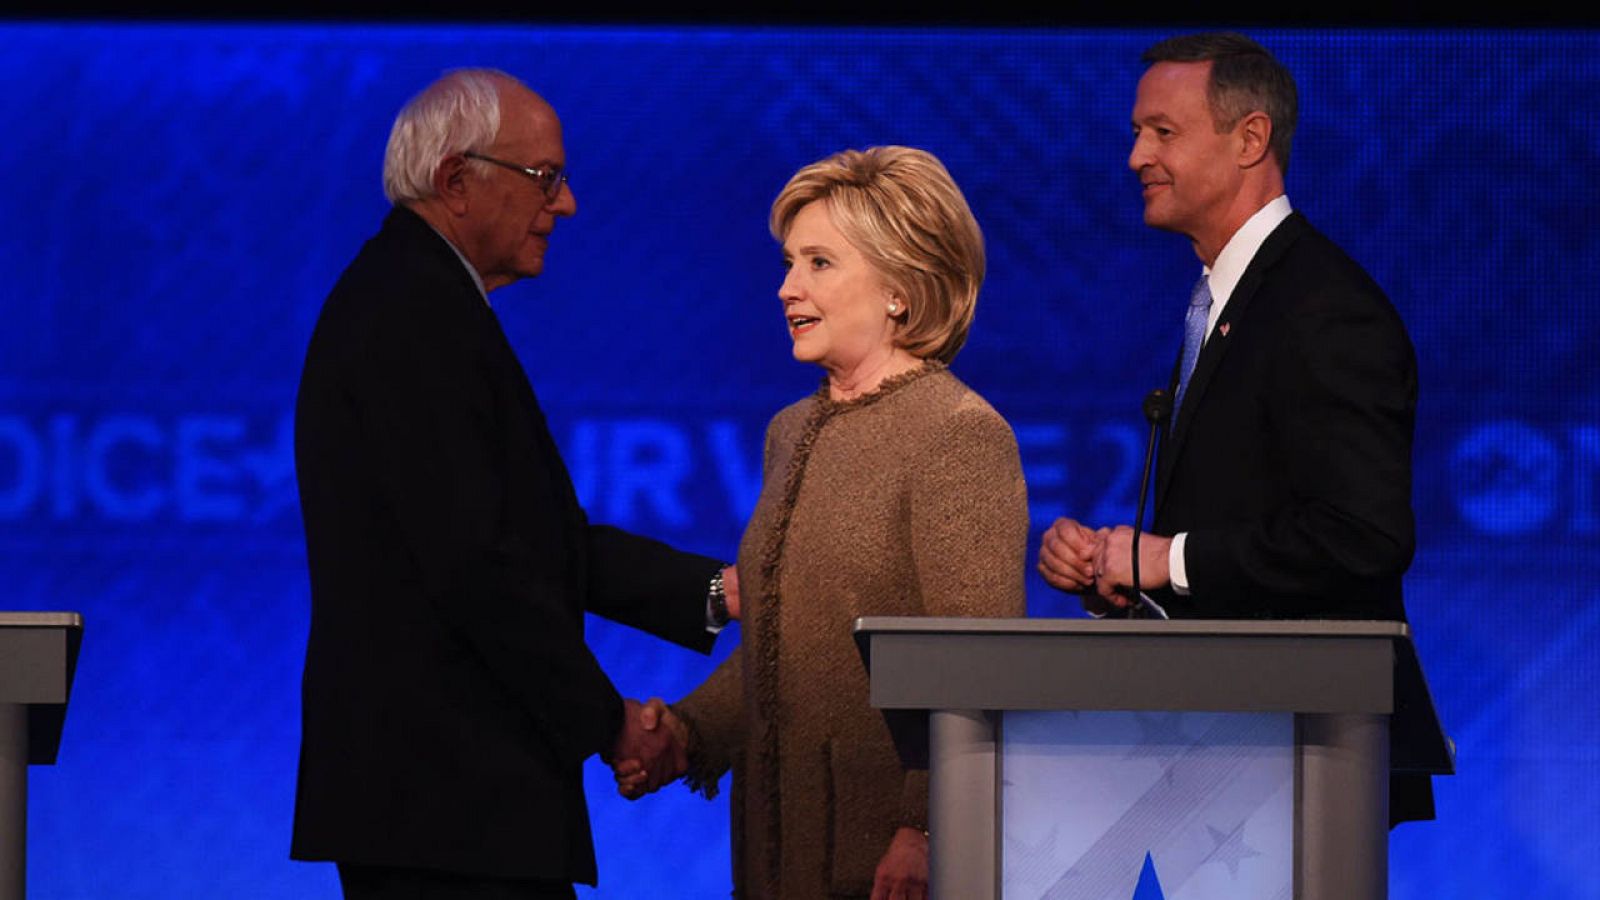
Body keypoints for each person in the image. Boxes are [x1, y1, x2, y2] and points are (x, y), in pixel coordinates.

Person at [290, 68, 737, 899]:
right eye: (546, 179)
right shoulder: (410, 313)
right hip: (445, 803)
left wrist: (715, 589)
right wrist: (610, 725)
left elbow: (535, 540)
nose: (565, 206)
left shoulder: (418, 298)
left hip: (449, 804)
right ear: (456, 181)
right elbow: (474, 565)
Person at [612, 146, 1029, 900]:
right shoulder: (790, 429)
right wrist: (688, 732)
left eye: (818, 263)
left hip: (883, 866)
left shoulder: (958, 435)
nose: (786, 288)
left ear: (900, 287)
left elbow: (978, 666)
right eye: (788, 262)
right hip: (775, 856)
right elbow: (789, 644)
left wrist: (926, 826)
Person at [1035, 32, 1431, 823]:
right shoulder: (1226, 299)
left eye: (1163, 132)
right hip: (1222, 747)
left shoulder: (1323, 308)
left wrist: (1166, 557)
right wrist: (1122, 578)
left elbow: (1362, 535)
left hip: (1304, 747)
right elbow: (1240, 522)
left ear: (1250, 138)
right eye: (1136, 133)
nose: (1135, 157)